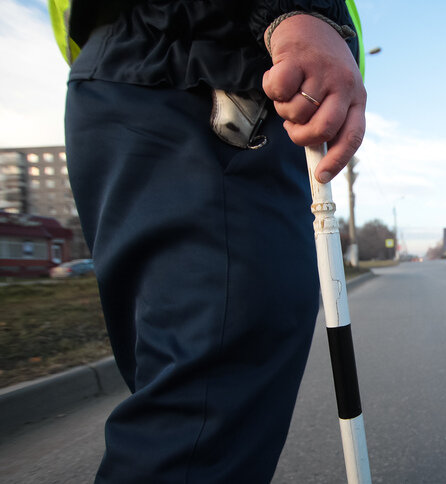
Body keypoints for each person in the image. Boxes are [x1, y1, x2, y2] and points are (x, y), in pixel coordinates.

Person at [51, 1, 366, 481]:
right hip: (217, 74)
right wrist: (299, 11)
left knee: (187, 388)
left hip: (127, 74)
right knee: (205, 412)